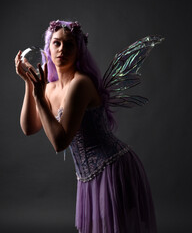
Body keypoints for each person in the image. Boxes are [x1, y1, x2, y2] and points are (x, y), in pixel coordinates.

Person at [15, 20, 163, 233]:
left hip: (113, 169)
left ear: (79, 51)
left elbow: (60, 142)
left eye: (69, 44)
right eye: (56, 43)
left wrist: (39, 96)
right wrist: (30, 84)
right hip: (87, 177)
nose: (62, 49)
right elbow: (29, 127)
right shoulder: (50, 88)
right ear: (48, 47)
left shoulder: (81, 84)